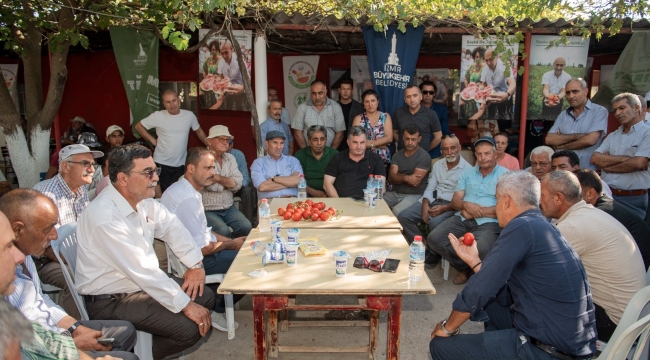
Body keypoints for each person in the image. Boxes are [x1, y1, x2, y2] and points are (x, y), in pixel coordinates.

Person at [429, 171, 597, 360]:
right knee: (490, 304)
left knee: (441, 346)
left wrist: (447, 327)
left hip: (548, 351)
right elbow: (497, 286)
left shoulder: (521, 227)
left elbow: (479, 289)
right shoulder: (540, 225)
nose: (495, 205)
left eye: (497, 199)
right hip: (565, 340)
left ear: (506, 201)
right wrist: (474, 262)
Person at [75, 144, 216, 360]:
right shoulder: (105, 217)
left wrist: (195, 265)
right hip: (111, 300)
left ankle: (143, 347)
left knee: (204, 296)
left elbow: (171, 226)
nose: (155, 178)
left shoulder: (143, 202)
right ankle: (141, 354)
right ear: (123, 179)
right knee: (189, 328)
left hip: (138, 286)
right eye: (147, 172)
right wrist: (185, 305)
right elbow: (143, 270)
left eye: (155, 170)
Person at [0, 189, 138, 360]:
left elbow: (41, 304)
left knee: (125, 331)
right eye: (47, 228)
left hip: (49, 334)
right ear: (18, 229)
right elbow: (29, 340)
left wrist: (74, 329)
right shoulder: (7, 275)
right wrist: (71, 342)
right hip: (45, 342)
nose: (54, 235)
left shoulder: (26, 256)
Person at [540, 170, 645, 341]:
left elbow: (537, 271)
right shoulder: (590, 213)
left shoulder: (573, 226)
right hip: (631, 315)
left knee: (534, 300)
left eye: (542, 195)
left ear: (558, 198)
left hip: (615, 322)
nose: (539, 201)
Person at [161, 147, 246, 331]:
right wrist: (231, 244)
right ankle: (214, 307)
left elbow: (205, 232)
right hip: (192, 263)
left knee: (244, 250)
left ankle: (215, 302)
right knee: (251, 263)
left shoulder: (186, 189)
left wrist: (234, 243)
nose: (212, 174)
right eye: (207, 168)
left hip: (192, 255)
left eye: (213, 168)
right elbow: (203, 248)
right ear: (191, 168)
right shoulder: (187, 198)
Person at [33, 144, 104, 318]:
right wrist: (76, 261)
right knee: (75, 277)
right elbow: (43, 245)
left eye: (93, 164)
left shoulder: (81, 190)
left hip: (75, 255)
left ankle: (101, 319)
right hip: (45, 261)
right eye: (85, 163)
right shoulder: (45, 194)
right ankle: (75, 331)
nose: (91, 169)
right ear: (66, 166)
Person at [427, 137, 508, 285]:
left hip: (489, 223)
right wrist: (466, 205)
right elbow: (455, 201)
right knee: (435, 239)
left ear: (495, 154)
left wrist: (476, 212)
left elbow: (504, 208)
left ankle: (475, 271)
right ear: (475, 155)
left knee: (482, 247)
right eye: (479, 154)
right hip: (462, 218)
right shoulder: (467, 173)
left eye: (487, 153)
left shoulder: (506, 176)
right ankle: (464, 267)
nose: (483, 158)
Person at [397, 134, 471, 255]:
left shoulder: (468, 170)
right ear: (442, 151)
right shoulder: (438, 164)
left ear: (459, 148)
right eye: (445, 149)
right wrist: (425, 203)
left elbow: (464, 199)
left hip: (451, 206)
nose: (450, 152)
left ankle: (435, 252)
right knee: (404, 217)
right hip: (433, 200)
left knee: (434, 223)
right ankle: (423, 245)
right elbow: (430, 187)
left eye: (453, 148)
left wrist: (445, 208)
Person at [574, 168, 650, 270]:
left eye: (572, 189)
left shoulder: (599, 214)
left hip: (636, 269)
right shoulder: (602, 205)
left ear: (590, 193)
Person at [136, 90, 208, 193]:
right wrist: (152, 140)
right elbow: (139, 126)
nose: (172, 104)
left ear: (179, 100)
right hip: (161, 163)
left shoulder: (189, 115)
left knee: (178, 194)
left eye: (174, 100)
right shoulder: (158, 116)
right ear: (164, 103)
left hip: (180, 164)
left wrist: (210, 146)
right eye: (168, 102)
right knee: (162, 195)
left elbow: (199, 131)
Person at [591, 92, 650, 218]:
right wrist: (628, 160)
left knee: (631, 236)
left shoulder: (647, 134)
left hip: (633, 199)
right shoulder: (613, 136)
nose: (617, 113)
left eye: (622, 108)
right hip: (607, 196)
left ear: (636, 108)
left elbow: (639, 163)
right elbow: (595, 158)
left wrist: (607, 166)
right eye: (615, 110)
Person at [198, 125, 251, 238]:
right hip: (208, 209)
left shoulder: (230, 158)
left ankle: (233, 247)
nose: (225, 142)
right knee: (223, 231)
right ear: (209, 141)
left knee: (246, 227)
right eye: (220, 139)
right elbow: (210, 185)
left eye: (227, 140)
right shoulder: (203, 158)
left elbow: (238, 183)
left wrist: (218, 178)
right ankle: (226, 249)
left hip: (228, 207)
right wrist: (229, 183)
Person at [545, 78, 608, 170]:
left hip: (586, 172)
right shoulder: (563, 114)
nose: (571, 96)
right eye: (568, 92)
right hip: (563, 173)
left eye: (575, 92)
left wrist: (560, 146)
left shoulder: (599, 111)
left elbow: (590, 140)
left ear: (585, 91)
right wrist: (580, 136)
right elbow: (549, 139)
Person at [323, 126, 386, 199]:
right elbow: (327, 184)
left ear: (366, 142)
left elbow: (381, 189)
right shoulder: (337, 158)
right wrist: (338, 202)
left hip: (367, 204)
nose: (359, 146)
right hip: (342, 204)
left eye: (362, 142)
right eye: (355, 142)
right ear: (348, 142)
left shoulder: (376, 159)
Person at [384, 124, 430, 216]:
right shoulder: (397, 155)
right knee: (376, 202)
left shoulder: (424, 156)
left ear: (419, 139)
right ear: (402, 138)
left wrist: (399, 175)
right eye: (407, 139)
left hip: (415, 195)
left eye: (413, 139)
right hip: (395, 193)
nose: (409, 142)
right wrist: (407, 178)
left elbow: (414, 182)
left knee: (397, 211)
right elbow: (391, 177)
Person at [292, 80, 346, 149]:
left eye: (320, 93)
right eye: (314, 93)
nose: (317, 97)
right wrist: (306, 153)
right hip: (308, 152)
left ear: (326, 92)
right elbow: (297, 133)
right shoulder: (302, 108)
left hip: (330, 153)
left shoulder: (335, 107)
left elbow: (340, 133)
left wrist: (330, 153)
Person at [469, 48, 517, 123]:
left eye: (490, 59)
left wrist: (507, 94)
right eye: (486, 60)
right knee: (490, 116)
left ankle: (503, 131)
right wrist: (476, 88)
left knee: (502, 116)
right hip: (490, 96)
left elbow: (512, 83)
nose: (488, 63)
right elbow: (483, 85)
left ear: (497, 56)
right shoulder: (485, 69)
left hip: (502, 95)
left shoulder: (505, 67)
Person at [251, 131, 303, 199]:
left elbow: (298, 181)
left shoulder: (293, 161)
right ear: (267, 143)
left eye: (281, 143)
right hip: (268, 203)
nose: (278, 147)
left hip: (291, 201)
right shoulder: (258, 163)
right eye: (275, 143)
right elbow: (262, 187)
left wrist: (273, 179)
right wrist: (290, 183)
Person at [392, 85, 442, 156]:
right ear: (405, 99)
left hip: (422, 157)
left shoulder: (430, 114)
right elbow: (395, 133)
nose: (412, 99)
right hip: (403, 156)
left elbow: (438, 136)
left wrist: (426, 149)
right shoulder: (398, 113)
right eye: (408, 96)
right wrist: (406, 145)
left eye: (415, 95)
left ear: (421, 96)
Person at [294, 125, 338, 198]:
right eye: (315, 139)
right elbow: (296, 180)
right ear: (309, 140)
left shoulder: (334, 154)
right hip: (306, 194)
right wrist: (314, 192)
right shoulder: (300, 155)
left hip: (330, 194)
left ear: (326, 140)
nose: (319, 143)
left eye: (322, 139)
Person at [351, 89, 393, 164]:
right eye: (367, 101)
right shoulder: (358, 119)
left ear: (378, 102)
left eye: (373, 101)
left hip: (383, 159)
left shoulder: (385, 116)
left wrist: (370, 144)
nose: (370, 104)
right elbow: (355, 141)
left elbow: (389, 138)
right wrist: (380, 143)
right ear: (363, 104)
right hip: (363, 160)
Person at [228, 140, 256, 225]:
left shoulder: (238, 155)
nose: (225, 145)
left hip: (238, 186)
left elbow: (246, 178)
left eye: (228, 143)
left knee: (247, 190)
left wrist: (237, 187)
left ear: (232, 144)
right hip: (221, 188)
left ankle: (249, 223)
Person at [420, 81, 450, 159]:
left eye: (431, 92)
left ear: (434, 94)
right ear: (420, 93)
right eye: (425, 92)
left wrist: (445, 150)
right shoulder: (414, 109)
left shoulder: (441, 109)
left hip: (435, 152)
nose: (428, 95)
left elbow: (445, 132)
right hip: (415, 153)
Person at [336, 78, 364, 152]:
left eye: (348, 89)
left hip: (354, 145)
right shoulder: (333, 106)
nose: (345, 91)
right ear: (339, 90)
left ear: (352, 90)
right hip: (336, 144)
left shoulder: (360, 108)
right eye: (343, 89)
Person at [462, 47, 486, 123]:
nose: (478, 58)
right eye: (476, 57)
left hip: (481, 96)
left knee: (481, 118)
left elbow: (486, 83)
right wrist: (468, 89)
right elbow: (466, 79)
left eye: (480, 57)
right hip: (470, 97)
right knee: (470, 120)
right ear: (474, 57)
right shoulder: (470, 67)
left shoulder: (486, 68)